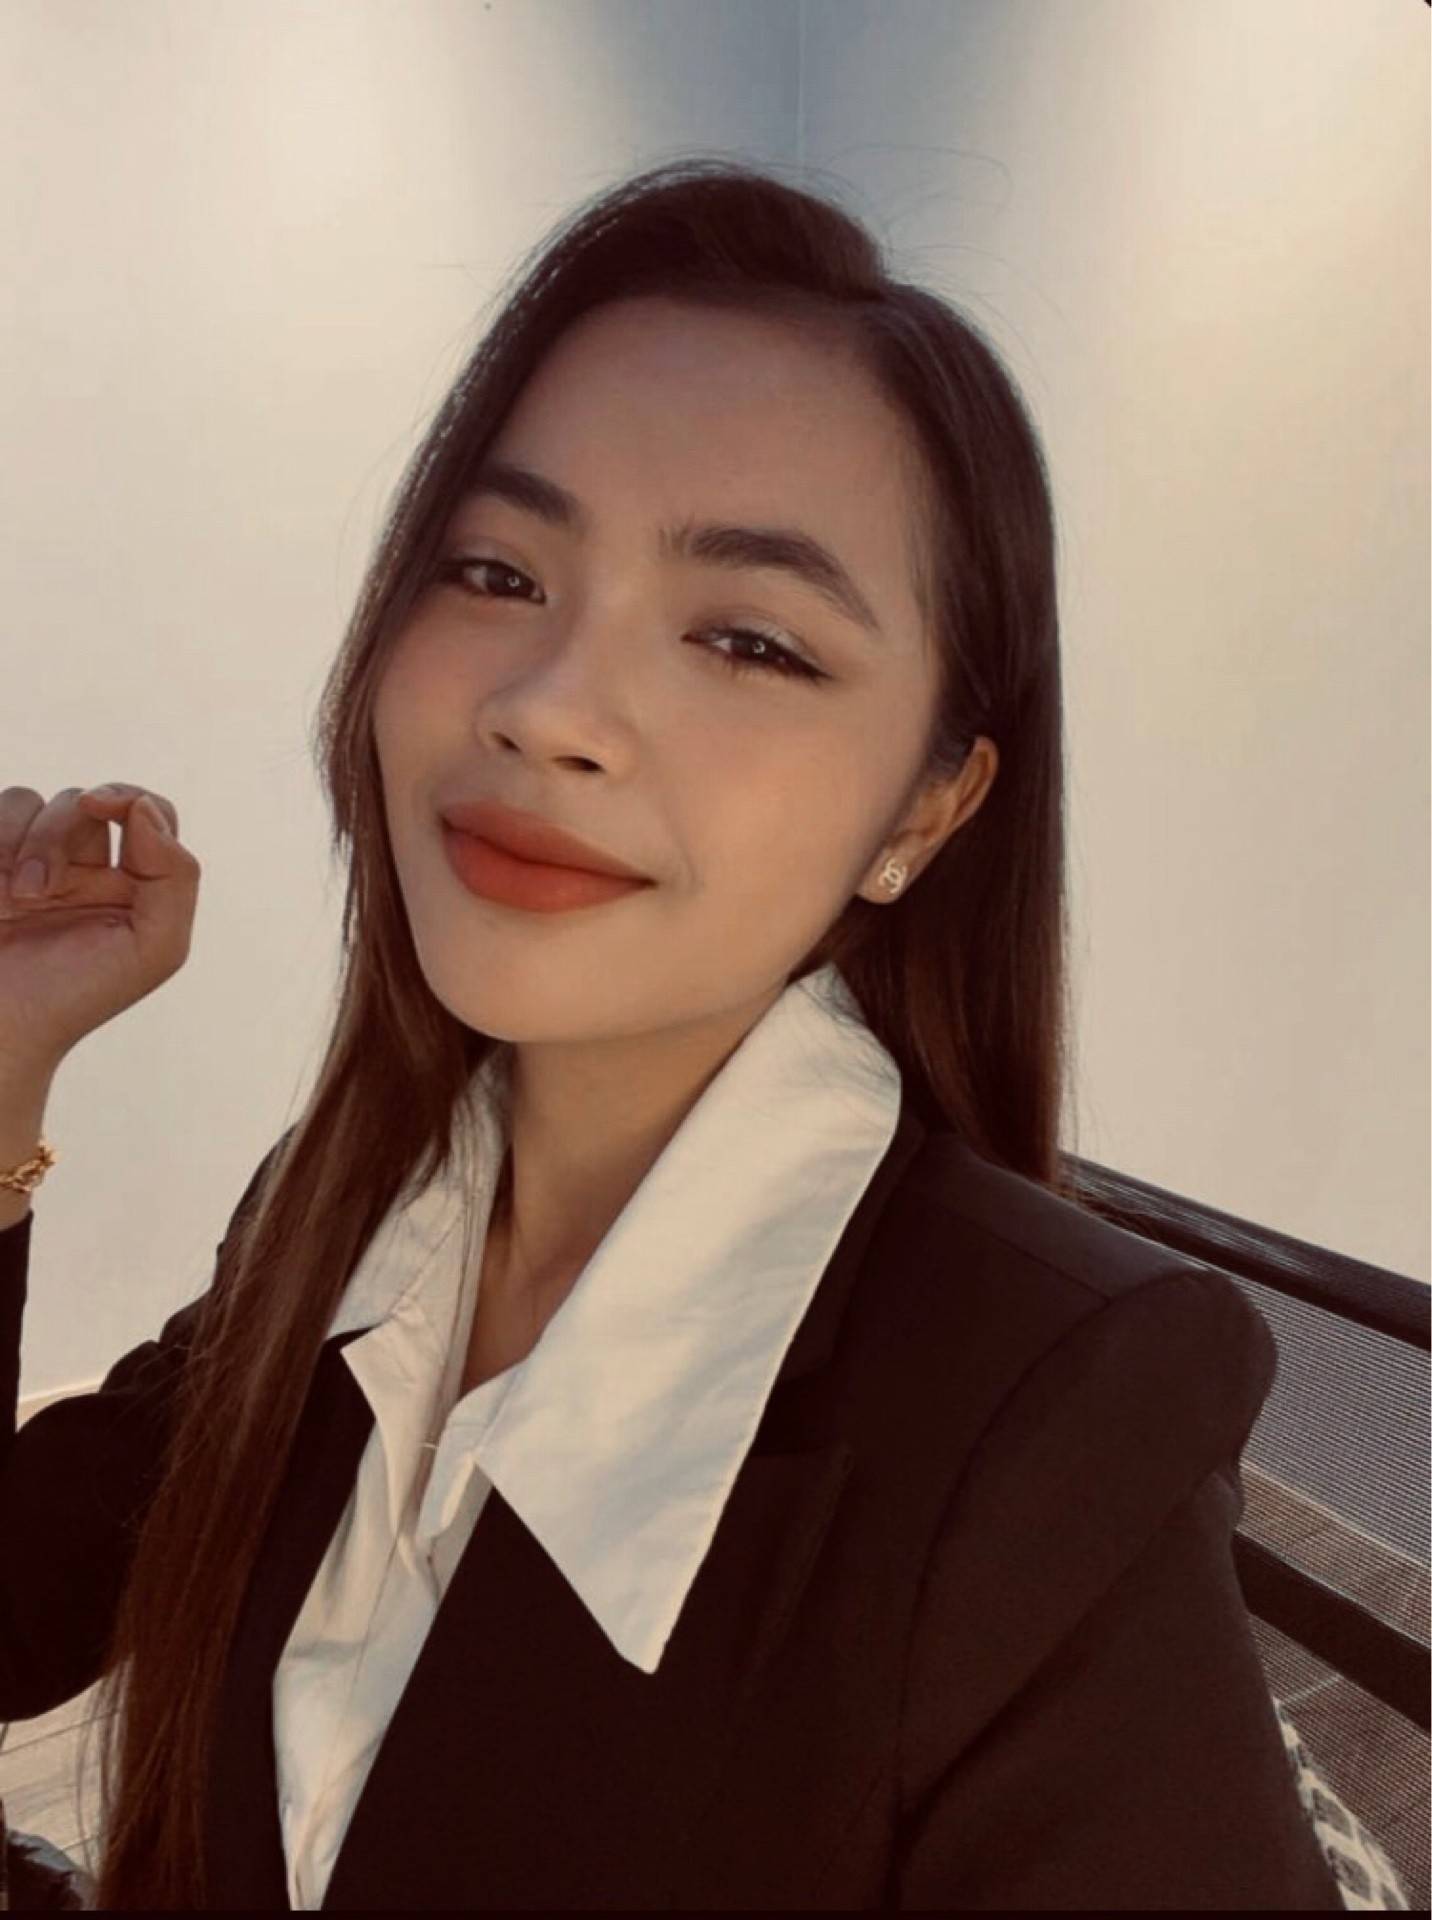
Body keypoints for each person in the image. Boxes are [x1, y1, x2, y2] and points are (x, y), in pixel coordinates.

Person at [0, 158, 1344, 1911]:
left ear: (928, 807)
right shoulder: (355, 1206)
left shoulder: (1053, 1425)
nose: (547, 707)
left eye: (752, 642)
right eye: (497, 570)